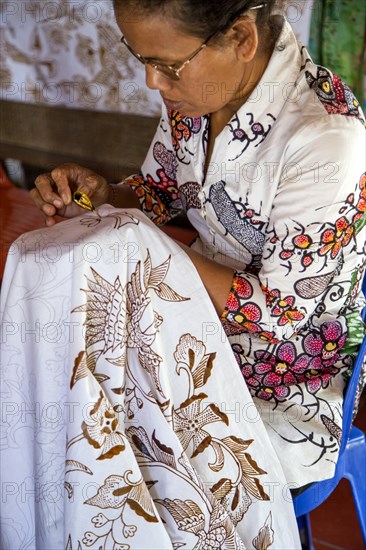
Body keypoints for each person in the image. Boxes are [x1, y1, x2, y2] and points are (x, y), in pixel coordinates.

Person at [1, 0, 365, 548]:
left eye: (168, 65)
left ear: (241, 37)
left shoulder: (324, 139)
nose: (153, 81)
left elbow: (279, 315)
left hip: (283, 378)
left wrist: (143, 245)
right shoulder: (199, 94)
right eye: (142, 57)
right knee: (66, 412)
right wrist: (104, 195)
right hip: (194, 326)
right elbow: (160, 194)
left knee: (118, 452)